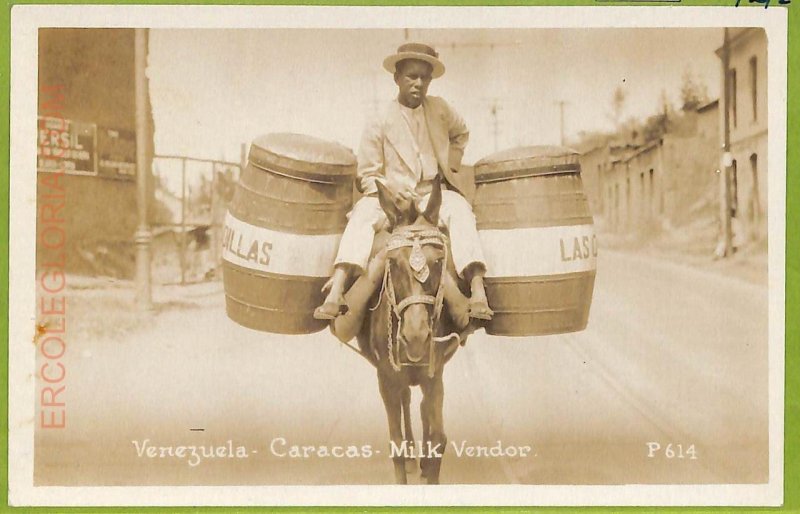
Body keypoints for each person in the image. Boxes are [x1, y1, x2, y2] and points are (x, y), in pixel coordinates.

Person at [314, 42, 493, 322]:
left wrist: (451, 166)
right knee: (361, 216)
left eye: (425, 77)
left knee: (460, 211)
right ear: (397, 78)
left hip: (432, 194)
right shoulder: (379, 119)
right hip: (391, 199)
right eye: (411, 76)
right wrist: (389, 190)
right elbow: (367, 174)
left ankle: (477, 288)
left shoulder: (440, 109)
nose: (418, 83)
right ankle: (337, 288)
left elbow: (462, 133)